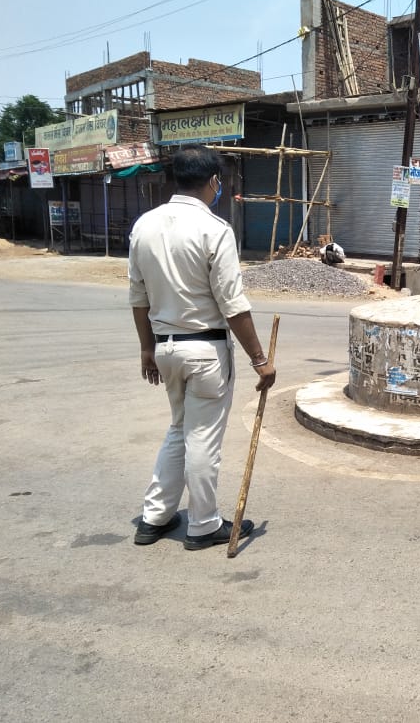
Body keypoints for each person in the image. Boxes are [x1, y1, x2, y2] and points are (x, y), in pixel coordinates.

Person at [129, 144, 276, 550]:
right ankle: (204, 524)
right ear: (214, 181)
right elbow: (233, 303)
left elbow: (138, 296)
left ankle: (155, 516)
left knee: (179, 429)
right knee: (203, 439)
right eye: (219, 182)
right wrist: (260, 360)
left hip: (164, 348)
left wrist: (146, 350)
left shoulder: (144, 225)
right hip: (205, 352)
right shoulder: (215, 229)